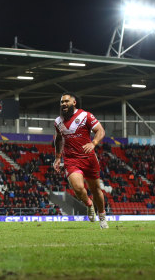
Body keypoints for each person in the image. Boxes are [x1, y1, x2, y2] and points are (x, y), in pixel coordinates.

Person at [53, 92, 108, 229]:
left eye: (66, 101)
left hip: (89, 159)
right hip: (71, 159)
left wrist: (93, 143)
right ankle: (89, 205)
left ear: (74, 102)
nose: (64, 104)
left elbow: (100, 130)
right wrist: (58, 158)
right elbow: (59, 139)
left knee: (96, 189)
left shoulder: (85, 116)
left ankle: (102, 217)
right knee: (77, 187)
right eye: (62, 102)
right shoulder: (58, 122)